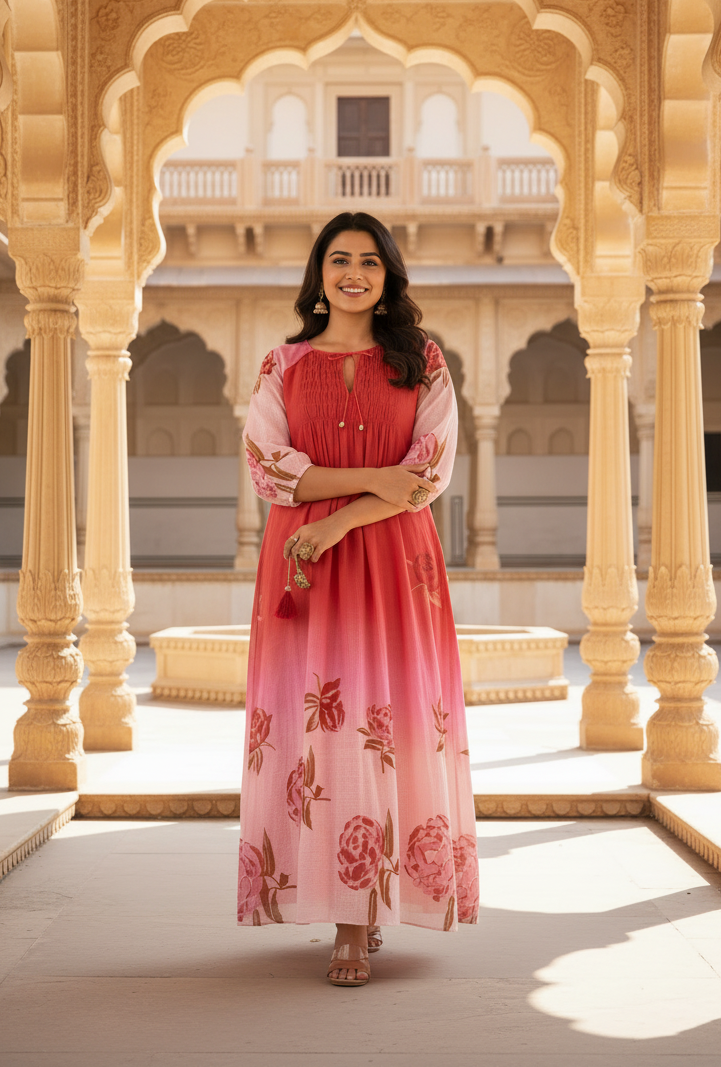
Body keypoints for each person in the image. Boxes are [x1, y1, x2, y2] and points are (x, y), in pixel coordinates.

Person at [238, 211, 478, 987]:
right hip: (304, 568)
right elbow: (272, 470)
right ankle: (347, 909)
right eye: (339, 260)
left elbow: (428, 476)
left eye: (370, 262)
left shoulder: (422, 361)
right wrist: (377, 477)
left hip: (385, 557)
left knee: (384, 729)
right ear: (319, 274)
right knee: (324, 736)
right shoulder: (281, 364)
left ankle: (363, 913)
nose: (354, 273)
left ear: (387, 276)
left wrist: (343, 514)